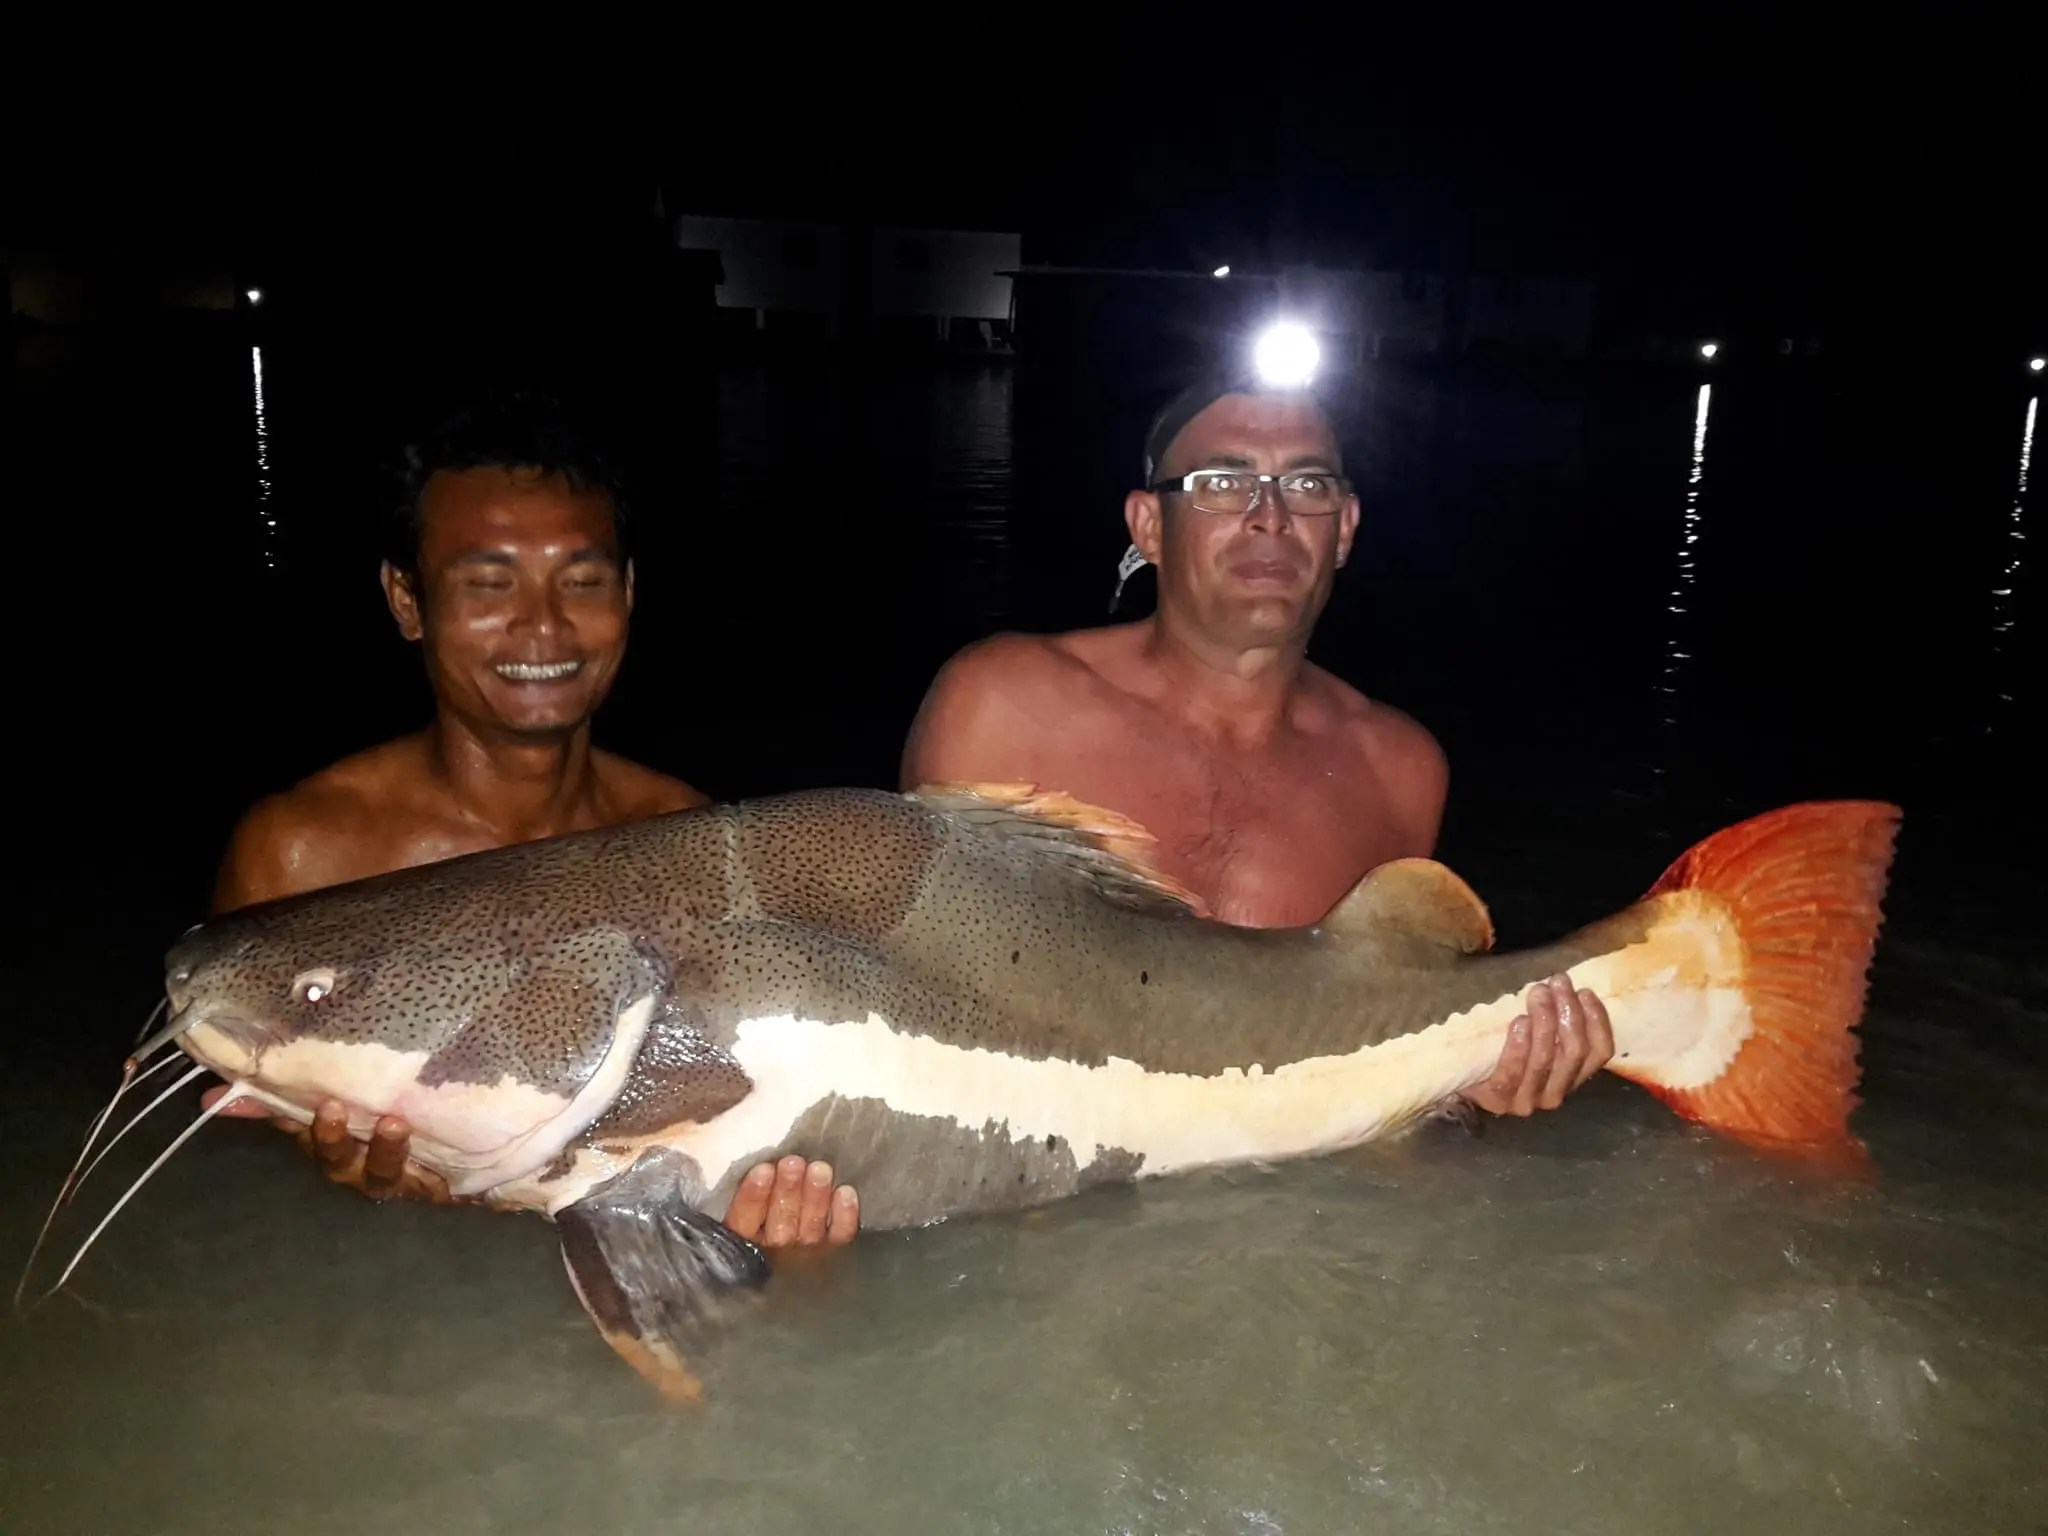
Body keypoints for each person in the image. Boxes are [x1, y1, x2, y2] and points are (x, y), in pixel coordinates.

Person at [204, 395, 860, 1249]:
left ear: (628, 593)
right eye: (488, 583)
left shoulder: (686, 837)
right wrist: (319, 1173)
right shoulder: (302, 852)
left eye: (583, 581)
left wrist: (773, 1226)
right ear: (406, 599)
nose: (544, 625)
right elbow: (220, 1168)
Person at [899, 374, 1614, 1118]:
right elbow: (904, 1003)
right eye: (1222, 481)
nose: (1269, 515)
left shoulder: (1398, 768)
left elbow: (1373, 1066)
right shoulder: (1004, 705)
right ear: (1148, 526)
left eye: (1307, 483)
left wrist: (1467, 1092)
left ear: (1343, 529)